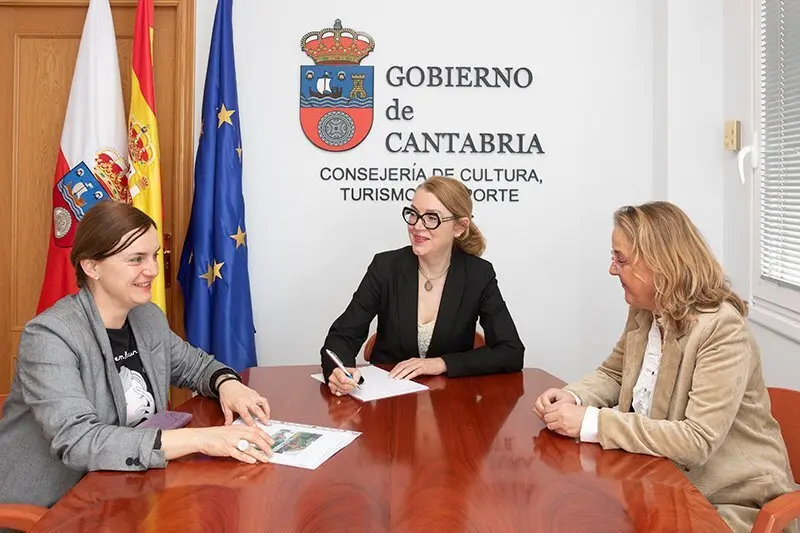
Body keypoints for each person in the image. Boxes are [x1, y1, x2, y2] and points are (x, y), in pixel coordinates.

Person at [533, 201, 795, 532]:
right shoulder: (645, 309)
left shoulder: (722, 329)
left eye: (621, 259)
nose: (613, 270)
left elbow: (696, 440)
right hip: (660, 483)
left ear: (661, 264)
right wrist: (572, 397)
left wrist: (592, 422)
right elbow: (614, 373)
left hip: (728, 501)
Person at [0, 201, 274, 509]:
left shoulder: (147, 317)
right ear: (92, 267)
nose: (153, 270)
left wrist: (228, 384)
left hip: (124, 489)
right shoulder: (51, 335)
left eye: (154, 255)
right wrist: (200, 439)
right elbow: (78, 441)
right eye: (136, 259)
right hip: (51, 506)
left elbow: (196, 366)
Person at [320, 176, 524, 396]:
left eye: (431, 218)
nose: (417, 226)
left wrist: (441, 363)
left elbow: (510, 351)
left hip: (451, 404)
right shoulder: (385, 267)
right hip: (389, 405)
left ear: (459, 227)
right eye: (413, 214)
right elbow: (342, 337)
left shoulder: (478, 274)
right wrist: (339, 371)